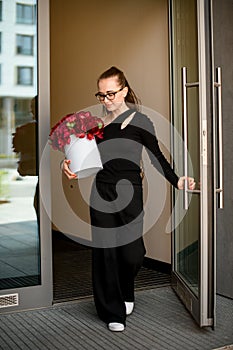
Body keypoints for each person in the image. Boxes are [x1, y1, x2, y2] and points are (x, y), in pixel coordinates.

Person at [62, 66, 195, 332]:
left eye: (111, 93)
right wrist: (70, 169)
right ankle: (112, 312)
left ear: (124, 90)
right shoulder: (97, 126)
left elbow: (157, 156)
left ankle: (126, 291)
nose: (106, 99)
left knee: (134, 254)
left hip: (131, 193)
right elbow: (84, 157)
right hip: (102, 192)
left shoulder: (140, 122)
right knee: (106, 254)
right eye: (101, 95)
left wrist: (177, 180)